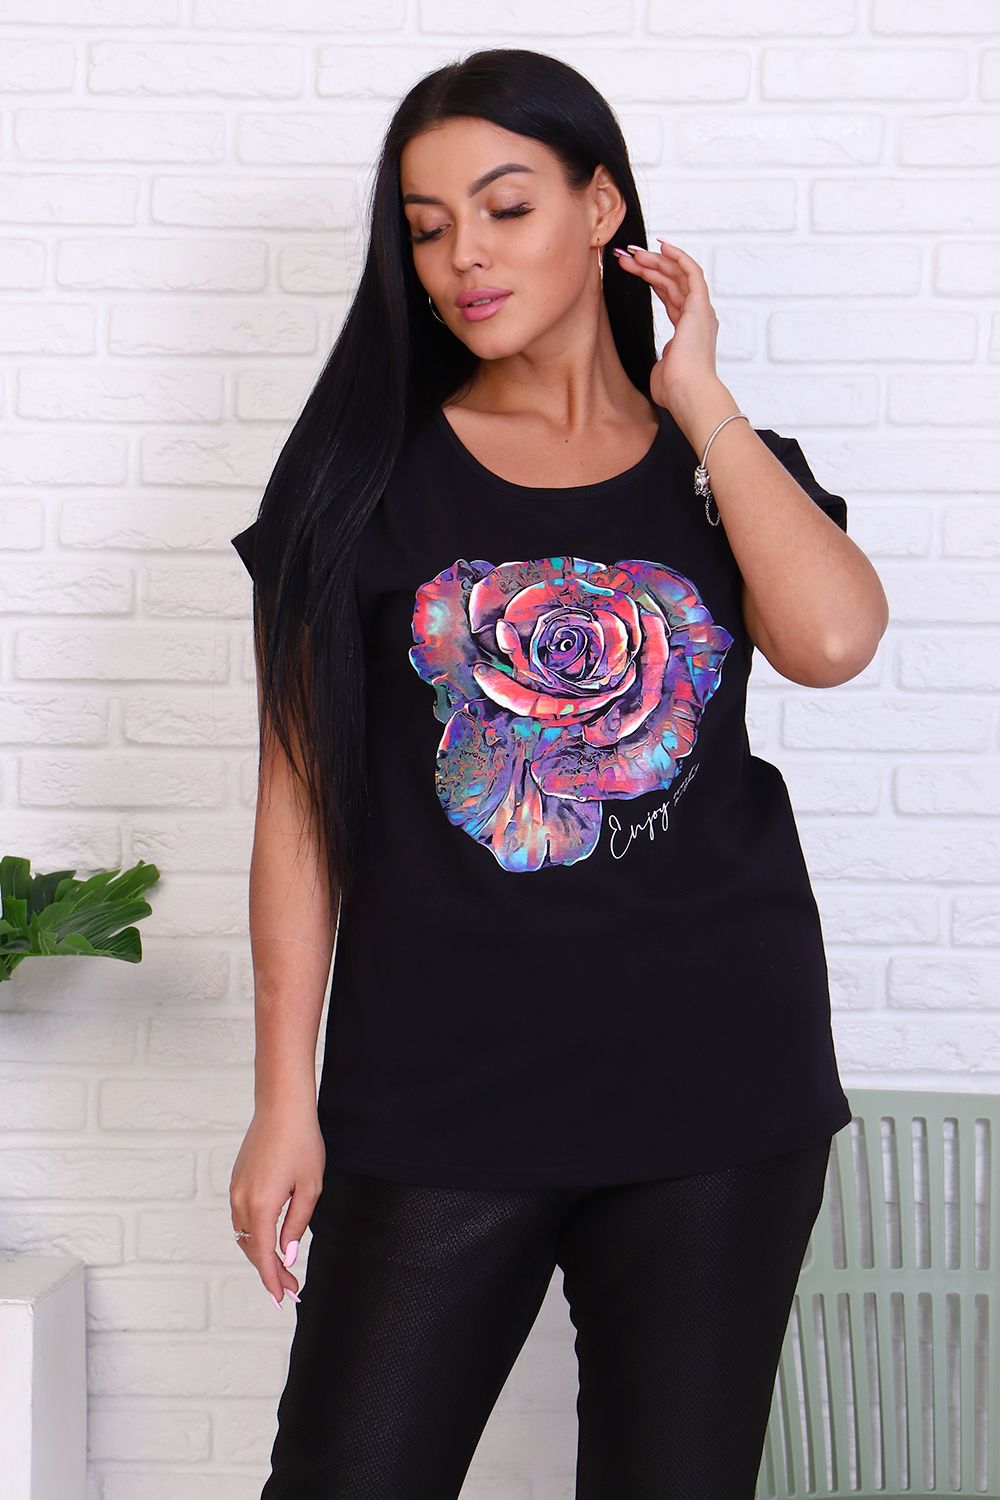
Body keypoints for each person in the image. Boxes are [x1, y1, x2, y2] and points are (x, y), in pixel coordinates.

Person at [227, 46, 888, 1499]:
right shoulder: (355, 478)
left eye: (506, 206)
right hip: (436, 1091)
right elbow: (301, 806)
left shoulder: (723, 468)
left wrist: (697, 398)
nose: (464, 254)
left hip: (720, 1086)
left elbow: (835, 640)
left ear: (602, 209)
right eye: (428, 226)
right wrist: (286, 1096)